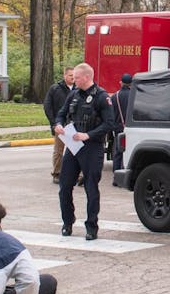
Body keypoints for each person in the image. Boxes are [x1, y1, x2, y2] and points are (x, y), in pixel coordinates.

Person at [54, 62, 115, 240]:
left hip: (92, 147)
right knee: (65, 186)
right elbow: (61, 113)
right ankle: (67, 221)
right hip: (73, 147)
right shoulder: (73, 95)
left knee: (90, 187)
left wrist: (88, 135)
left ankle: (91, 226)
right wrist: (58, 125)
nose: (74, 80)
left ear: (87, 77)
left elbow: (109, 124)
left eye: (77, 78)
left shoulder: (101, 97)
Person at [43, 67, 75, 184]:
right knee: (58, 151)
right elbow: (47, 107)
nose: (73, 78)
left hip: (74, 125)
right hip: (60, 125)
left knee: (75, 150)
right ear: (65, 76)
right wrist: (54, 123)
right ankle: (57, 173)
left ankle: (76, 174)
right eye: (70, 75)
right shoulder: (55, 89)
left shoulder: (78, 89)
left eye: (74, 75)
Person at [111, 73, 133, 172]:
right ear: (131, 84)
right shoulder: (134, 95)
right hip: (131, 128)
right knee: (128, 151)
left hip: (118, 128)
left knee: (117, 152)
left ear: (121, 83)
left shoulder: (115, 96)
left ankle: (116, 176)